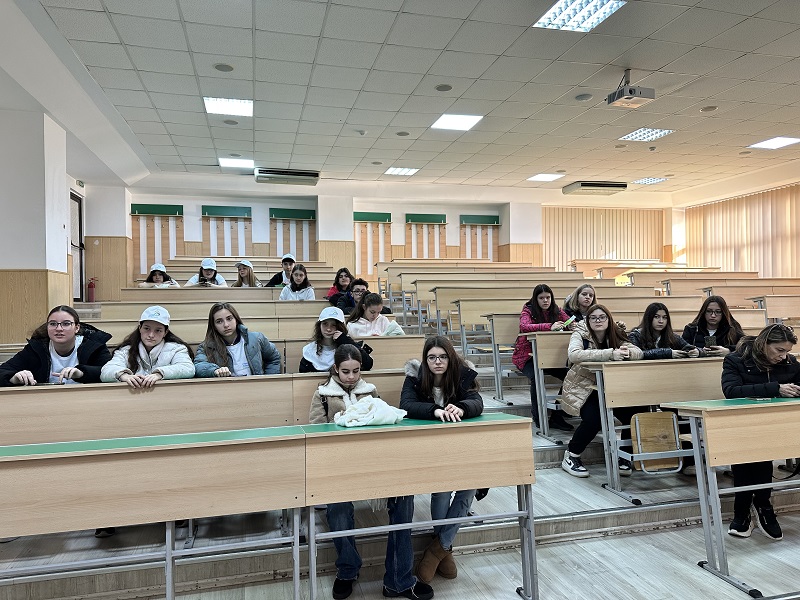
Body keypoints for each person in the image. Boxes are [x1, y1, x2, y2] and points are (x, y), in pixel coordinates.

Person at [309, 346, 432, 600]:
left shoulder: (370, 390)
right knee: (338, 507)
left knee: (404, 497)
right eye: (345, 371)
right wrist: (344, 420)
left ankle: (398, 579)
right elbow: (317, 432)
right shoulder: (322, 394)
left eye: (356, 371)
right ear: (335, 369)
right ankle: (347, 569)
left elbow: (384, 420)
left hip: (374, 461)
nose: (351, 377)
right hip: (340, 464)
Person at [401, 335, 483, 584]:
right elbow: (406, 405)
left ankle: (439, 548)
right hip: (429, 448)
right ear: (425, 360)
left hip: (460, 447)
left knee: (469, 486)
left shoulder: (462, 375)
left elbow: (477, 402)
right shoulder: (415, 377)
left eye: (443, 357)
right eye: (432, 357)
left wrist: (462, 407)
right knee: (442, 490)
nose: (438, 362)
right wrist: (434, 411)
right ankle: (443, 549)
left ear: (450, 358)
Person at [722, 324, 800, 541]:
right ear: (764, 343)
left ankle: (758, 506)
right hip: (742, 424)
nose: (783, 356)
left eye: (787, 351)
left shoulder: (790, 362)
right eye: (779, 350)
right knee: (748, 457)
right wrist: (776, 389)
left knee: (762, 455)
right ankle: (750, 508)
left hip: (776, 425)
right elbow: (731, 391)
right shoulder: (736, 360)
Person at [560, 304, 643, 478]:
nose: (598, 321)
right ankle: (571, 455)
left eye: (602, 317)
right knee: (595, 418)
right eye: (593, 318)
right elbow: (574, 355)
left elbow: (638, 352)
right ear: (588, 321)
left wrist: (627, 352)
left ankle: (624, 456)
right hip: (584, 388)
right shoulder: (580, 333)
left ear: (608, 319)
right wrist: (610, 354)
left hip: (612, 387)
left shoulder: (616, 333)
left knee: (634, 413)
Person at [512, 284, 574, 431]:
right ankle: (538, 416)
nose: (545, 300)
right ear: (536, 299)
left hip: (548, 357)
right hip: (527, 357)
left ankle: (557, 416)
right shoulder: (528, 310)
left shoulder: (556, 310)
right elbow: (525, 326)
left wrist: (571, 326)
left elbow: (570, 322)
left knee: (571, 376)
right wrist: (549, 326)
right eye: (541, 298)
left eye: (548, 297)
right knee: (536, 377)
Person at [0, 305, 112, 387]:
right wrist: (13, 378)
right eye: (53, 324)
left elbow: (111, 373)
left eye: (66, 324)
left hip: (85, 401)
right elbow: (3, 371)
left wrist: (82, 373)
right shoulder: (36, 348)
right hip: (46, 402)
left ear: (77, 328)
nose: (59, 329)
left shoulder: (94, 346)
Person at [100, 306, 195, 387]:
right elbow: (106, 371)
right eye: (146, 328)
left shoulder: (177, 349)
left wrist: (159, 374)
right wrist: (124, 376)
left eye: (158, 330)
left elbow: (188, 368)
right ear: (140, 328)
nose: (151, 335)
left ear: (165, 332)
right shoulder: (125, 350)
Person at [194, 302, 281, 377]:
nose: (226, 325)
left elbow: (274, 357)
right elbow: (198, 366)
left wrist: (268, 380)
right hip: (227, 389)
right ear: (214, 326)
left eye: (229, 319)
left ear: (236, 320)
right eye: (219, 321)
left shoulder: (256, 338)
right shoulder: (206, 346)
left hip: (257, 388)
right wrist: (214, 370)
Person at [299, 307, 373, 373]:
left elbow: (367, 364)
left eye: (333, 325)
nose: (328, 329)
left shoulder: (346, 345)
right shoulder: (310, 350)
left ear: (340, 327)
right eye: (325, 324)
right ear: (319, 325)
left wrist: (345, 341)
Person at [628, 303, 702, 360]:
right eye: (656, 317)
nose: (661, 321)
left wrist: (698, 351)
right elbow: (639, 354)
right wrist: (667, 353)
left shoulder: (672, 336)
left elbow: (689, 347)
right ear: (649, 318)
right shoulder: (635, 335)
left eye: (664, 317)